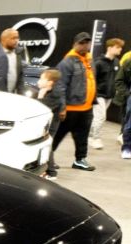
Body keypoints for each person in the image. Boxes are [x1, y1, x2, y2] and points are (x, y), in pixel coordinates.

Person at [52, 32, 97, 171]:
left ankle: (80, 160)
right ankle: (47, 159)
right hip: (70, 109)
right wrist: (62, 107)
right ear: (75, 44)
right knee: (57, 135)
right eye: (81, 43)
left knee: (82, 136)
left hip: (86, 108)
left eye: (87, 43)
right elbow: (60, 86)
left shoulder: (89, 60)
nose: (84, 45)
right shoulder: (67, 62)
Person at [89, 38, 124, 149]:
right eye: (117, 47)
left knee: (97, 117)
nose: (120, 49)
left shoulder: (117, 62)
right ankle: (95, 138)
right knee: (101, 117)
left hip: (109, 95)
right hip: (98, 95)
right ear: (109, 48)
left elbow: (118, 78)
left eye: (120, 47)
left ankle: (89, 135)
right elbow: (92, 79)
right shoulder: (98, 62)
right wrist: (93, 95)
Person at [38, 69, 63, 179]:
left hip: (51, 124)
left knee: (47, 145)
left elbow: (41, 109)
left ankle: (51, 172)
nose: (39, 81)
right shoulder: (49, 91)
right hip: (49, 122)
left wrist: (40, 96)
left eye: (42, 79)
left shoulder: (55, 94)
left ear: (50, 82)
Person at [113, 55, 131, 159]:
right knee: (129, 124)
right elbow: (119, 80)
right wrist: (128, 94)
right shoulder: (128, 62)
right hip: (130, 97)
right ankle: (127, 149)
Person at [0, 28, 24, 94]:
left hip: (12, 95)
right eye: (13, 38)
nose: (16, 40)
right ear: (4, 40)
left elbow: (20, 76)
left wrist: (21, 93)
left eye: (17, 38)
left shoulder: (17, 54)